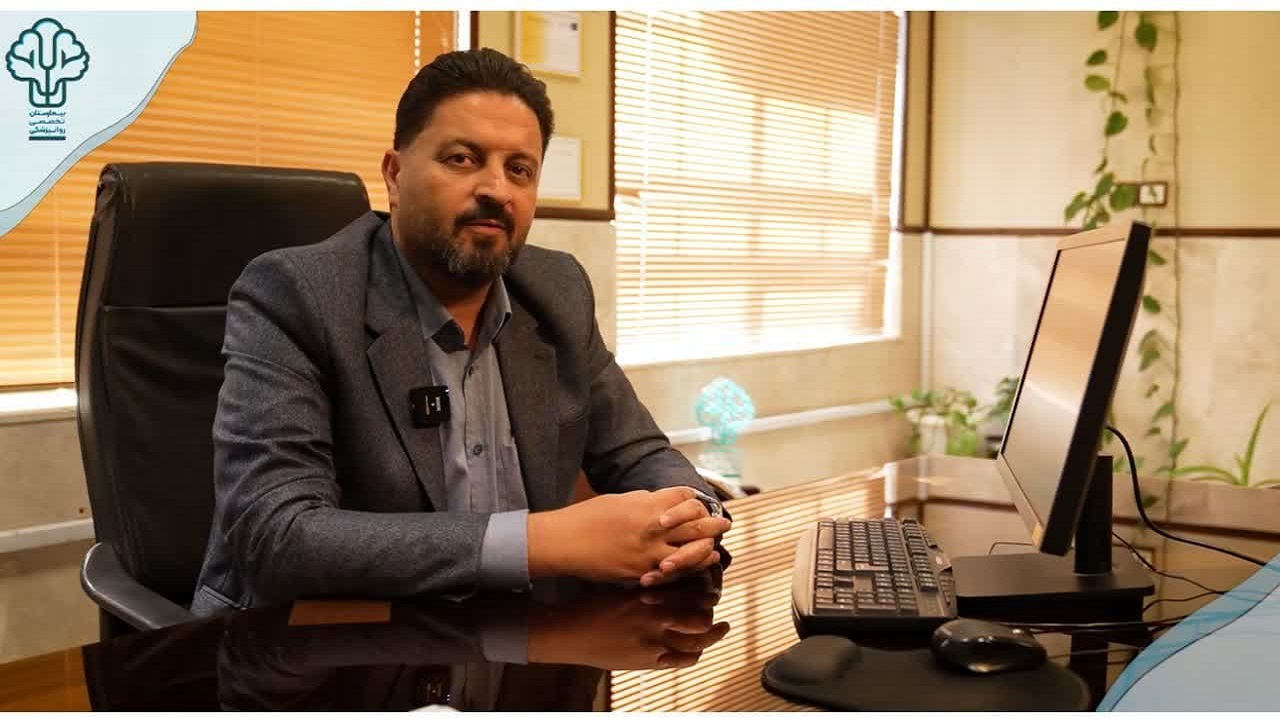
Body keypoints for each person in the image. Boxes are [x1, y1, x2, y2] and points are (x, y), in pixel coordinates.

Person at [190, 48, 730, 616]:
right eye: (463, 159)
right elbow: (275, 535)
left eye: (519, 169)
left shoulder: (558, 290)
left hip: (516, 643)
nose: (497, 188)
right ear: (395, 175)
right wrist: (546, 542)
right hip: (322, 645)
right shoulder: (297, 295)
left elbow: (638, 451)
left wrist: (696, 515)